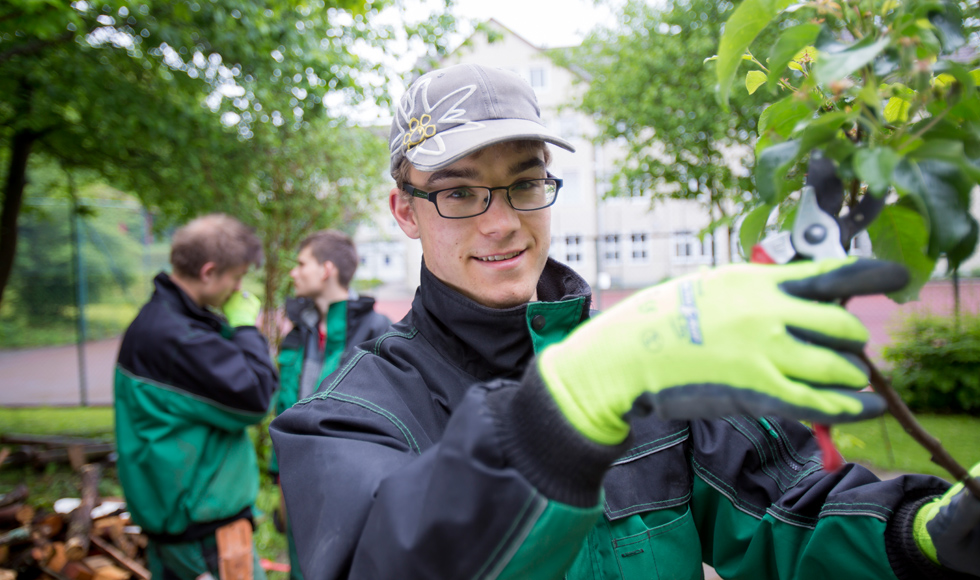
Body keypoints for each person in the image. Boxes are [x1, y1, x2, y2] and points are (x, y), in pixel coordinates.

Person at [270, 64, 980, 579]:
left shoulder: (657, 370)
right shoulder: (346, 420)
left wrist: (916, 535)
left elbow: (788, 511)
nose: (502, 222)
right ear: (405, 212)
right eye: (459, 192)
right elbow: (383, 563)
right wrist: (567, 406)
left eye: (524, 181)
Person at [115, 213, 279, 580]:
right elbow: (255, 397)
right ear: (208, 272)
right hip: (206, 534)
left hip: (176, 525)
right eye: (235, 278)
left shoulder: (159, 321)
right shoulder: (179, 339)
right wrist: (245, 328)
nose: (237, 290)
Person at [270, 229, 392, 580]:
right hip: (296, 476)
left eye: (301, 263)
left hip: (350, 484)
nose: (294, 272)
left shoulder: (377, 329)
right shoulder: (298, 331)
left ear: (326, 270)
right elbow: (285, 404)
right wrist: (280, 475)